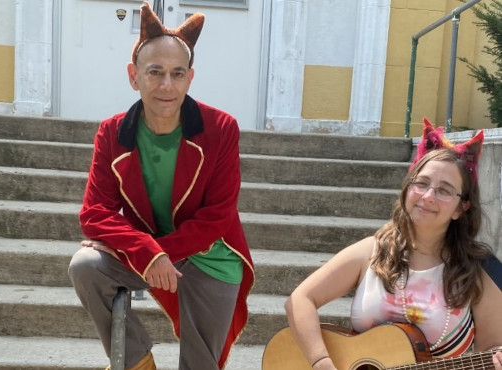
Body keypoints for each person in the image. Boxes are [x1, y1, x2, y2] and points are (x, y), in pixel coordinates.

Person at [67, 2, 254, 370]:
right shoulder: (112, 132)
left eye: (177, 74)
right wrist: (147, 253)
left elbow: (217, 215)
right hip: (151, 252)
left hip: (211, 256)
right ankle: (137, 361)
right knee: (86, 265)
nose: (167, 85)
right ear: (133, 76)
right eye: (155, 72)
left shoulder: (221, 128)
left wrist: (154, 253)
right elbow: (95, 213)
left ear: (190, 78)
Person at [285, 117, 502, 369]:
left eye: (444, 190)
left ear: (461, 207)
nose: (428, 196)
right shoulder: (371, 252)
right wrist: (321, 361)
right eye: (421, 183)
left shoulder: (479, 271)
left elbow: (491, 350)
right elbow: (300, 299)